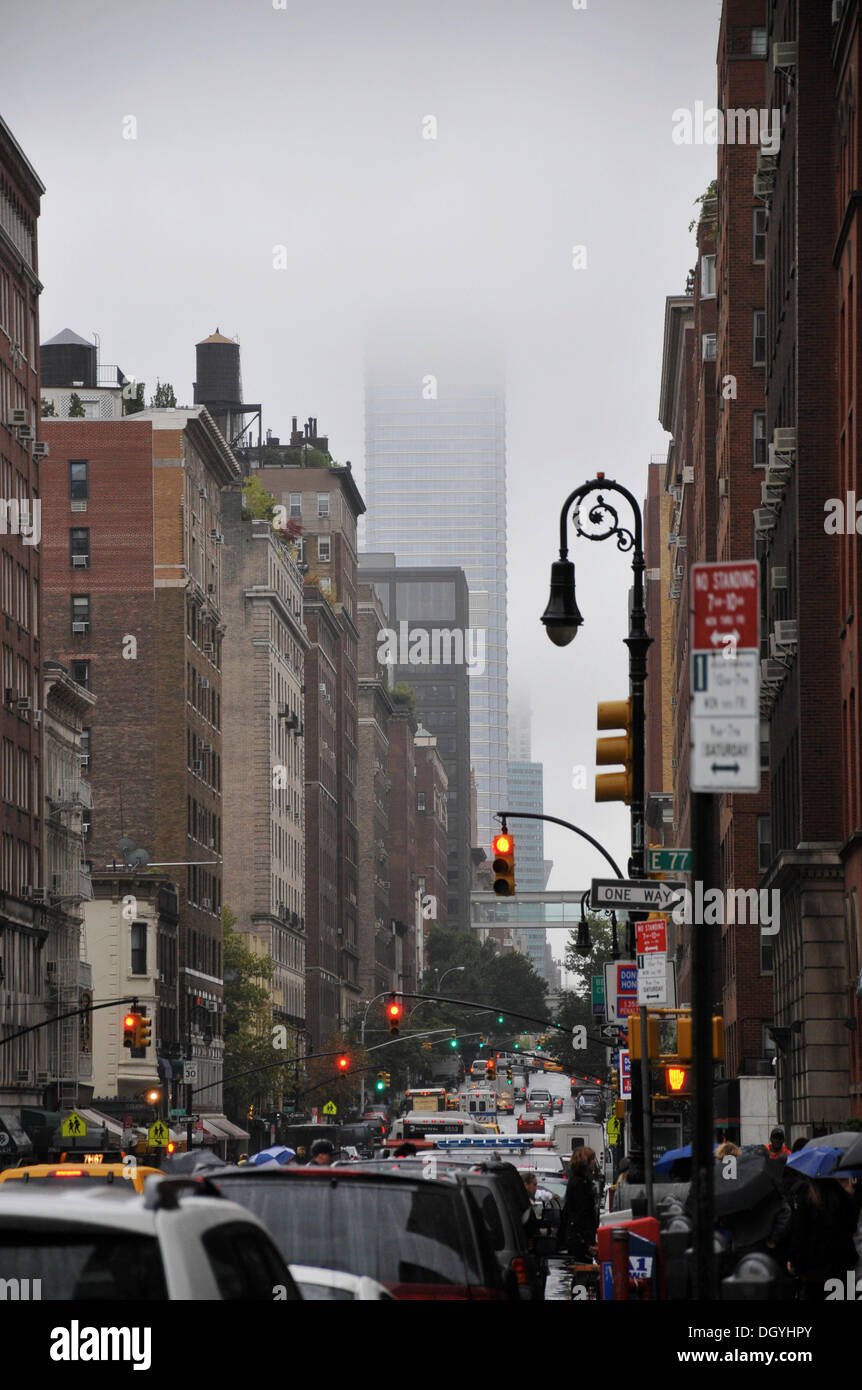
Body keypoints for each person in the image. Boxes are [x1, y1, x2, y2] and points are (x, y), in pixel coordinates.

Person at [787, 1175, 860, 1300]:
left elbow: (800, 1233)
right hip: (839, 1266)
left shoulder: (806, 1197)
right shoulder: (843, 1197)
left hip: (813, 1271)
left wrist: (794, 1261)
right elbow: (851, 1229)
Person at [559, 1147, 599, 1262]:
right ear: (586, 1162)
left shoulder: (579, 1181)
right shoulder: (580, 1183)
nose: (594, 1162)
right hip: (581, 1240)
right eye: (592, 1159)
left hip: (581, 1239)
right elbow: (579, 1214)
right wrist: (585, 1243)